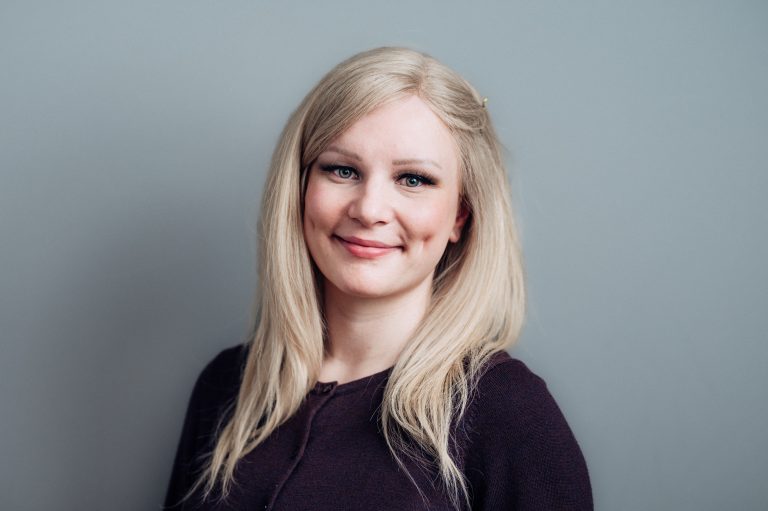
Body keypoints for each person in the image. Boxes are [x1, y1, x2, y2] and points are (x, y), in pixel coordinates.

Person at [163, 47, 592, 511]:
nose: (369, 210)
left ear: (460, 215)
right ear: (300, 189)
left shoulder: (509, 412)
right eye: (342, 170)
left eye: (413, 179)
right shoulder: (228, 386)